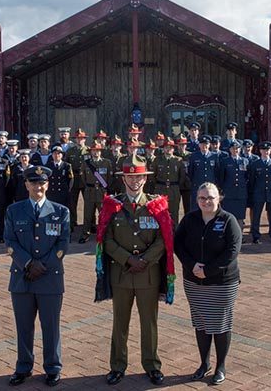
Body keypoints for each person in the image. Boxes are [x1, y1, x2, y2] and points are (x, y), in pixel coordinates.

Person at [94, 156, 175, 387]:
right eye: (130, 176)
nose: (135, 181)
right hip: (121, 273)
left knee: (149, 323)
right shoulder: (112, 205)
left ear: (145, 178)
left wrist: (144, 261)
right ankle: (117, 366)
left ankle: (152, 365)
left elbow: (164, 240)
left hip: (148, 275)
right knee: (120, 323)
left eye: (138, 176)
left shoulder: (156, 205)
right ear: (124, 179)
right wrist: (128, 259)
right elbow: (105, 240)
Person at [4, 165, 70, 387]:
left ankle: (52, 367)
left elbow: (63, 244)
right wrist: (29, 264)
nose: (38, 186)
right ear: (26, 185)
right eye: (33, 183)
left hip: (50, 277)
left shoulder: (61, 212)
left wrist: (42, 266)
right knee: (23, 326)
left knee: (51, 326)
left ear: (48, 184)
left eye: (42, 183)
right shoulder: (14, 210)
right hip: (22, 277)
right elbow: (10, 242)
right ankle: (23, 367)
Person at [174, 182, 241, 385]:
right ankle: (204, 364)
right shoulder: (190, 219)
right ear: (197, 200)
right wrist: (192, 265)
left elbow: (232, 251)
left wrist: (207, 270)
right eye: (202, 198)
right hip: (194, 282)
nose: (207, 201)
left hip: (222, 283)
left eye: (211, 197)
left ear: (219, 198)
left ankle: (220, 366)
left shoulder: (228, 220)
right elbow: (178, 244)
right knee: (201, 323)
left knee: (220, 325)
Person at [149, 138, 186, 225]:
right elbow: (153, 176)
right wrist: (158, 185)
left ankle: (174, 235)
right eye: (166, 147)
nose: (168, 149)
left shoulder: (178, 160)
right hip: (160, 189)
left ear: (173, 149)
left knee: (174, 214)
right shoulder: (157, 160)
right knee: (159, 212)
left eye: (170, 147)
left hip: (174, 190)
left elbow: (182, 176)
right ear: (163, 148)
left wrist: (176, 186)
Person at [79, 143, 111, 243]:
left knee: (103, 214)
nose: (95, 152)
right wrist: (90, 186)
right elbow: (83, 178)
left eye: (97, 150)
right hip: (90, 191)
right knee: (88, 214)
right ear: (91, 152)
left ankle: (104, 234)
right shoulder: (86, 163)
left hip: (102, 192)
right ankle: (85, 234)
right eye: (93, 150)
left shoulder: (107, 163)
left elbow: (109, 178)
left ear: (100, 151)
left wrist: (104, 188)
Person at [248, 141, 271, 244]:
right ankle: (256, 235)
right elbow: (252, 180)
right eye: (264, 150)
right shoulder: (255, 164)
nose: (266, 152)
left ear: (270, 151)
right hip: (259, 192)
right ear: (260, 151)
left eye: (268, 150)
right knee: (256, 215)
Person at [217, 140, 248, 229]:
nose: (235, 150)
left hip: (241, 193)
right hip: (229, 193)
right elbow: (221, 178)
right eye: (233, 149)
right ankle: (227, 235)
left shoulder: (245, 161)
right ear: (230, 150)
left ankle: (240, 236)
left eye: (237, 149)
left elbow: (247, 177)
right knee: (227, 216)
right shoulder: (225, 162)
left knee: (240, 216)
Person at [64, 129, 88, 229]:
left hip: (85, 178)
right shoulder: (70, 151)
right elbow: (66, 165)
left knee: (88, 202)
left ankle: (88, 224)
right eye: (78, 139)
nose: (79, 140)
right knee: (73, 202)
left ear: (84, 140)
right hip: (74, 177)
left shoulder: (89, 150)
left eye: (81, 138)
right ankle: (73, 222)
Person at [188, 136, 219, 211]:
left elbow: (217, 172)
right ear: (199, 145)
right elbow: (190, 172)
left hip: (210, 187)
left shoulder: (214, 156)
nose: (204, 146)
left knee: (211, 207)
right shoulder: (194, 156)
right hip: (197, 186)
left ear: (209, 145)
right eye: (202, 144)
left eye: (206, 144)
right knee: (196, 208)